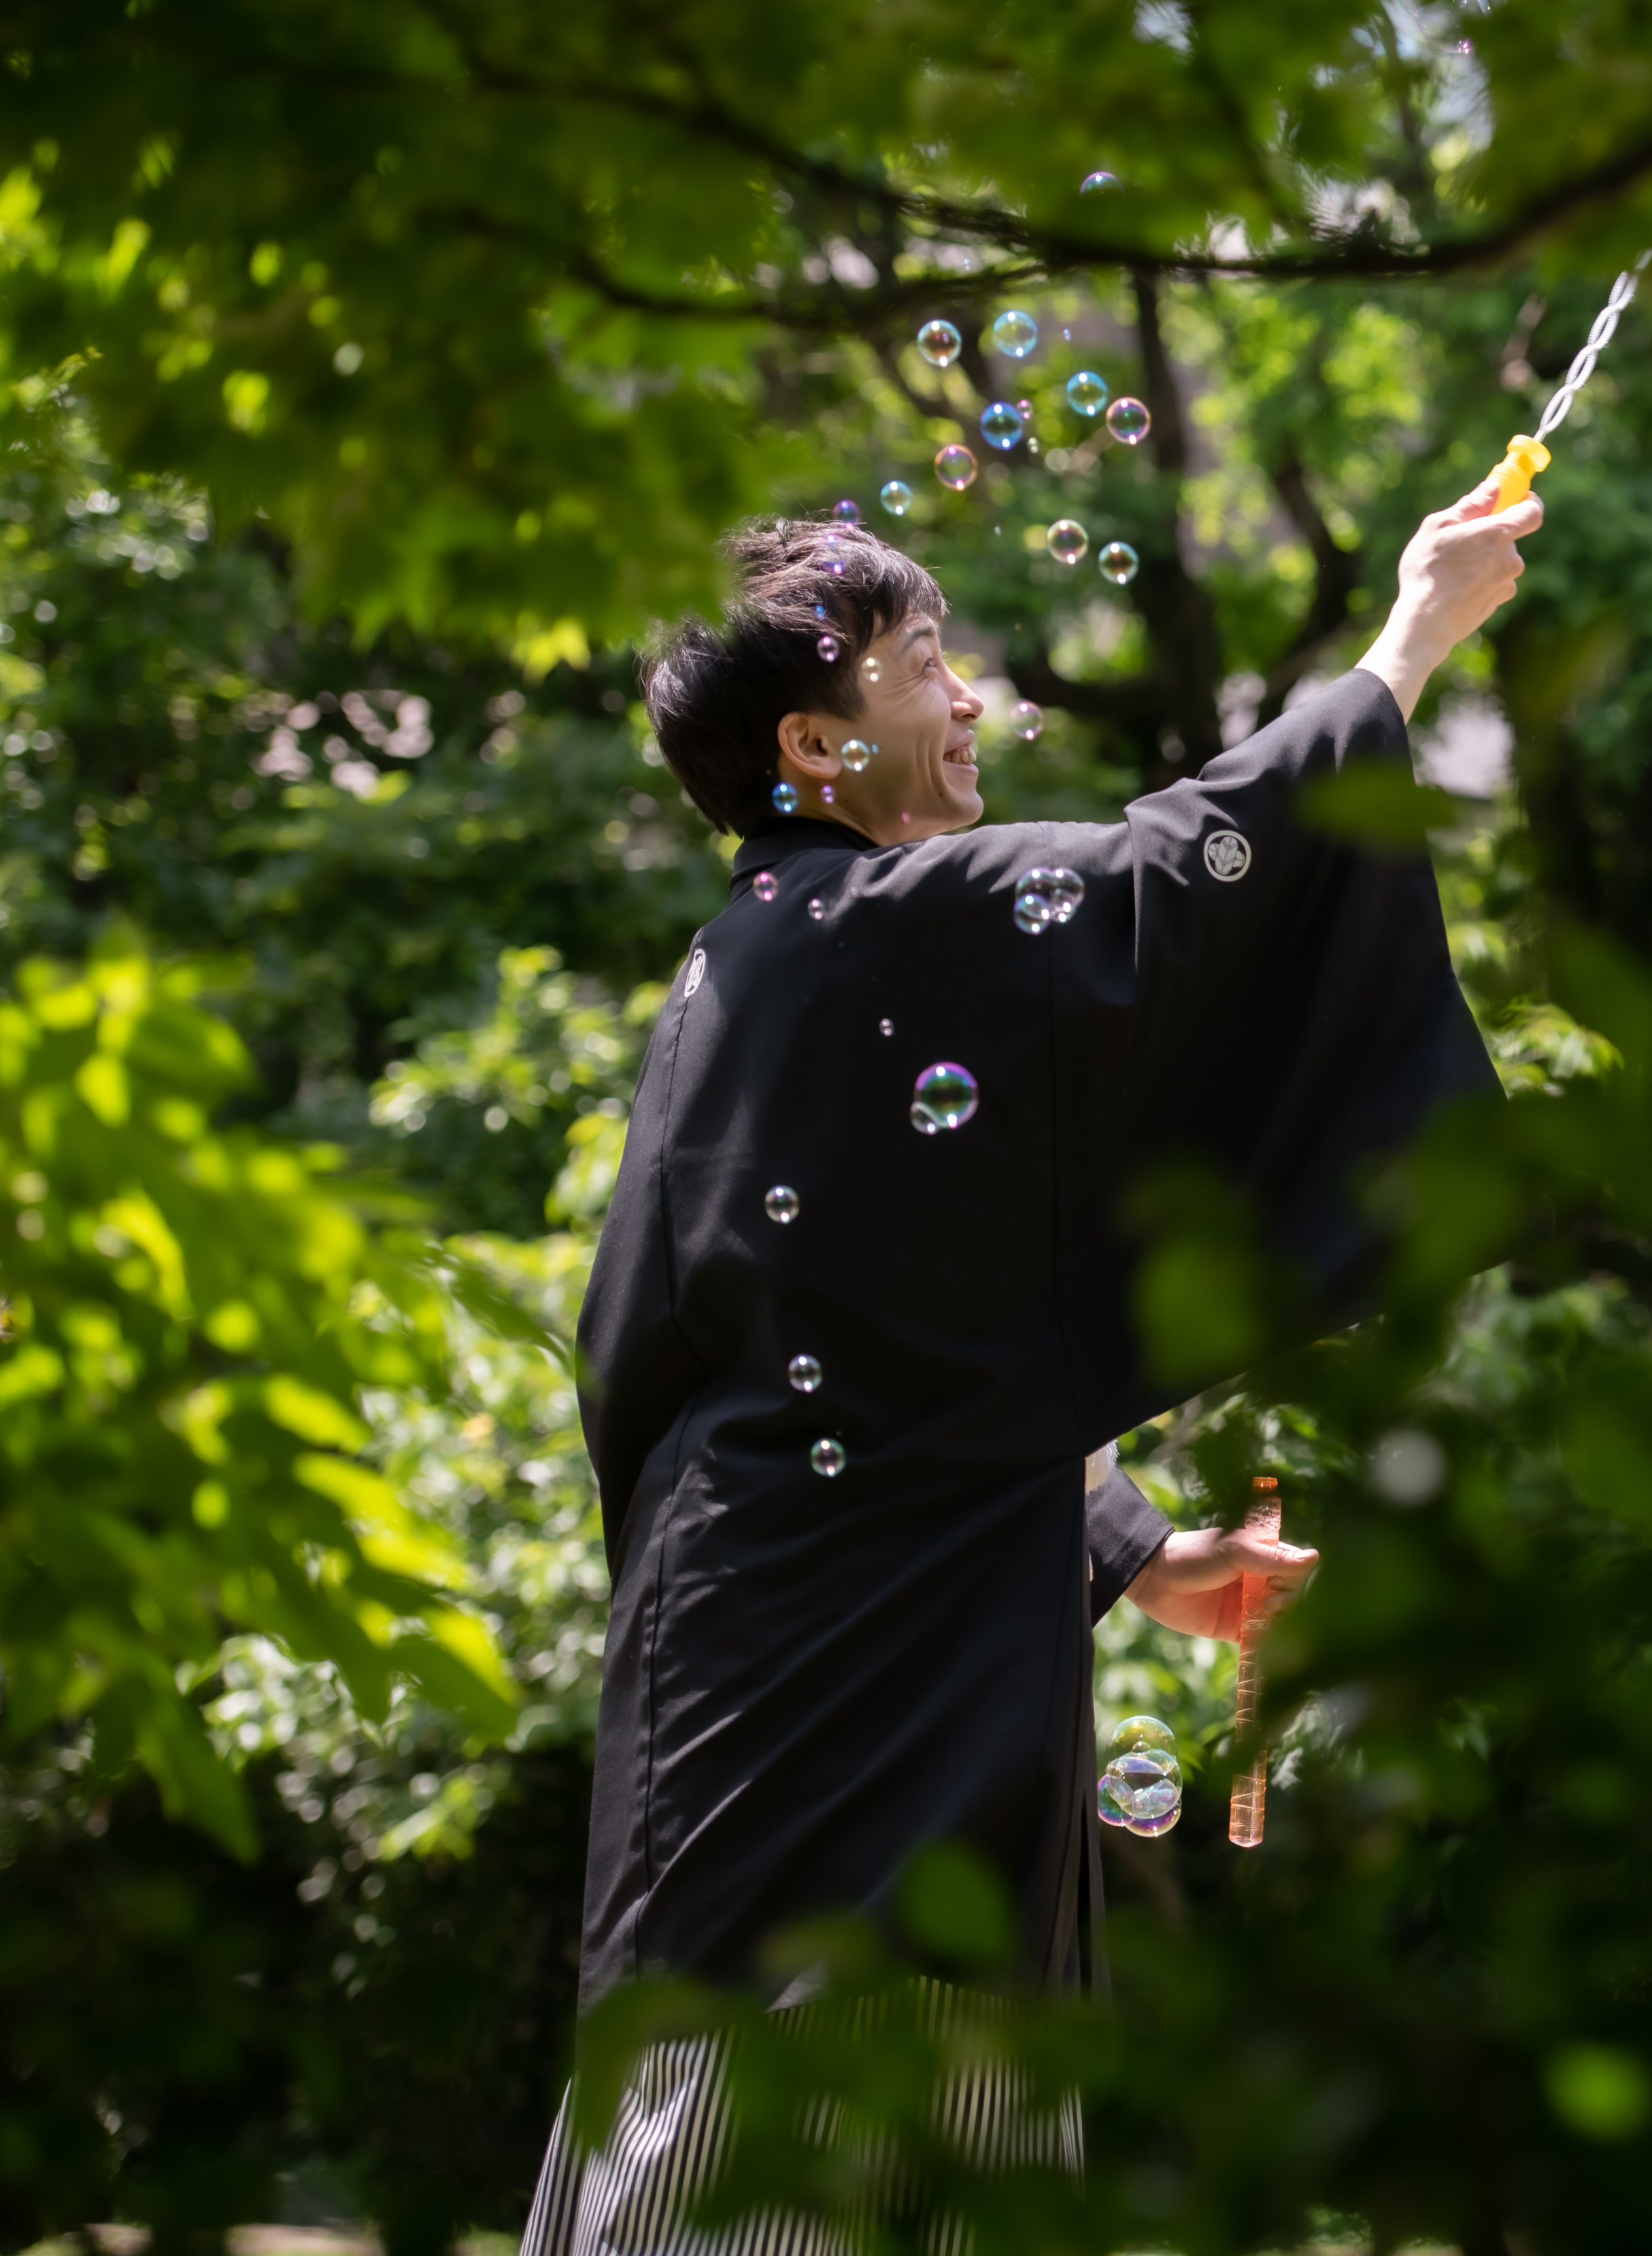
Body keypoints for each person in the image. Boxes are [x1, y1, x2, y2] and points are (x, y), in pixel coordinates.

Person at [520, 482, 1536, 2251]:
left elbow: (901, 1343)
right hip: (845, 1772)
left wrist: (1144, 1553)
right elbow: (1177, 874)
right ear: (815, 743)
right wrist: (1412, 637)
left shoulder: (765, 973)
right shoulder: (875, 936)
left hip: (813, 1715)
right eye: (927, 661)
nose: (971, 694)